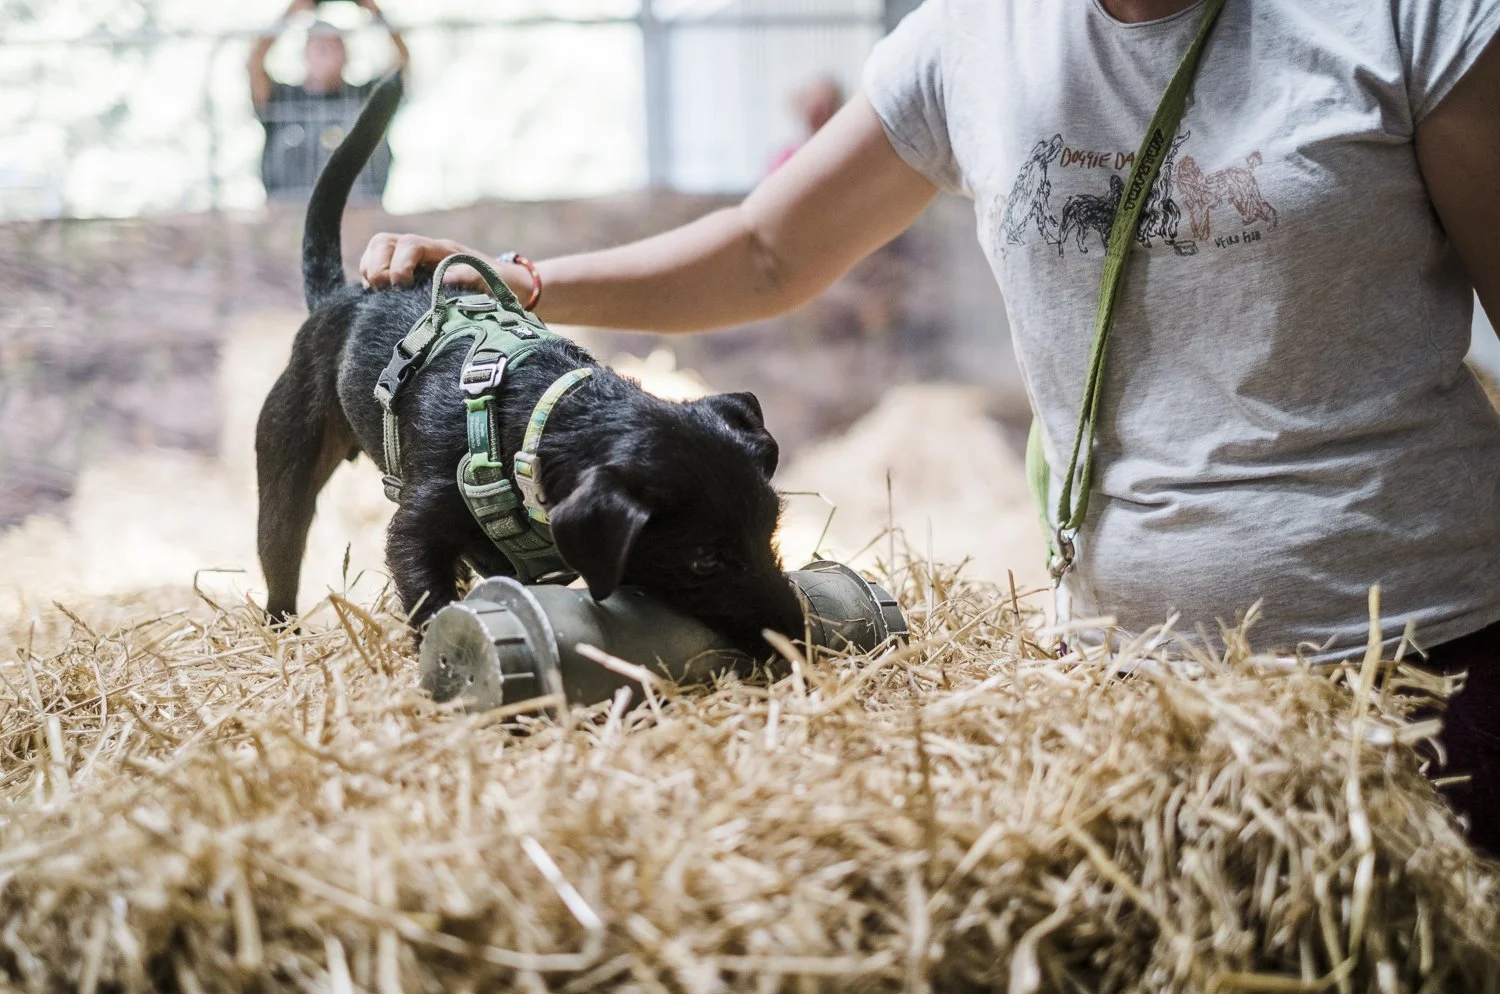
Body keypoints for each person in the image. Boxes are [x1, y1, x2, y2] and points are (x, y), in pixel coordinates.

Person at [356, 0, 1500, 855]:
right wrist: (514, 280)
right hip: (1129, 690)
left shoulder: (1407, 17)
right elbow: (768, 248)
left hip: (1423, 667)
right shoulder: (976, 37)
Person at [249, 0, 408, 202]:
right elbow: (254, 63)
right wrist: (292, 11)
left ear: (347, 54)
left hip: (359, 209)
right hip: (288, 211)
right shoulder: (281, 96)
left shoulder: (366, 95)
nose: (324, 49)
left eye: (333, 44)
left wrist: (374, 11)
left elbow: (401, 64)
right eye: (317, 44)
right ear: (304, 53)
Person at [768, 76, 845, 174]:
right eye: (811, 101)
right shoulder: (785, 157)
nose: (816, 109)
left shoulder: (842, 151)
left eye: (826, 104)